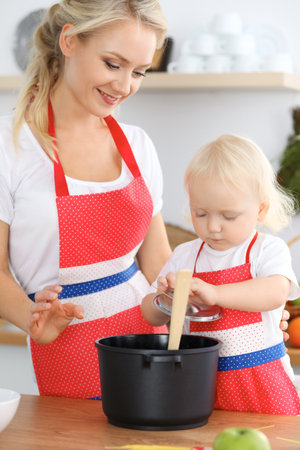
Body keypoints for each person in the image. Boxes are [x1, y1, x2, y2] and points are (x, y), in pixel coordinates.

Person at [0, 0, 171, 399]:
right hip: (66, 347)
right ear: (70, 40)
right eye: (113, 64)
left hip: (149, 338)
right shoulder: (11, 147)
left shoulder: (138, 145)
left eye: (140, 72)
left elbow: (158, 261)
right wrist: (32, 317)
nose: (125, 85)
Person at [142, 134, 300, 415]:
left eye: (228, 216)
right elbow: (150, 315)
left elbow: (275, 293)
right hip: (201, 381)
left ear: (260, 209)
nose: (213, 227)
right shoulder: (185, 256)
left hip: (261, 379)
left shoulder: (265, 250)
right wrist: (164, 299)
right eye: (200, 213)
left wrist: (215, 293)